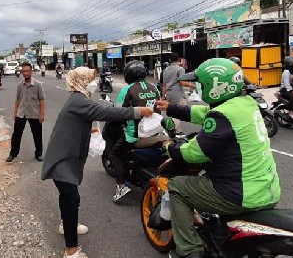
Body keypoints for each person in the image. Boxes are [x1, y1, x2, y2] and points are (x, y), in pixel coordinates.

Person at [154, 58, 280, 258]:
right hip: (268, 190)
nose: (197, 87)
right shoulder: (246, 103)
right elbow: (204, 112)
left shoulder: (222, 115)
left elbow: (193, 154)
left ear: (215, 87)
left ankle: (188, 250)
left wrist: (170, 147)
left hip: (240, 194)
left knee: (177, 187)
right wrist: (169, 107)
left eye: (201, 84)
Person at [41, 67, 154, 258]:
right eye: (90, 79)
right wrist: (137, 111)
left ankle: (67, 224)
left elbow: (87, 117)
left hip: (65, 156)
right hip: (62, 159)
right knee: (71, 198)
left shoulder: (79, 99)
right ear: (81, 81)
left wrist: (90, 131)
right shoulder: (78, 100)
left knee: (67, 197)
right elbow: (106, 112)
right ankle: (71, 251)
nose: (93, 83)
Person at [108, 60, 168, 202]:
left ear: (127, 74)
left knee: (114, 155)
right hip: (157, 132)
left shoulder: (127, 89)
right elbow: (158, 109)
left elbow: (120, 113)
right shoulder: (154, 87)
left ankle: (121, 186)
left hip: (135, 136)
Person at [7, 62, 46, 162]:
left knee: (37, 134)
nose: (25, 73)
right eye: (23, 71)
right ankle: (13, 154)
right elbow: (17, 99)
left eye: (27, 71)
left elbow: (41, 99)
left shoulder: (38, 85)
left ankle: (38, 153)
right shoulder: (20, 85)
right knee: (16, 134)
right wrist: (15, 112)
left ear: (31, 72)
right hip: (21, 113)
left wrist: (41, 114)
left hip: (34, 113)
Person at [162, 52, 196, 130]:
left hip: (169, 94)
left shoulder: (165, 70)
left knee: (171, 112)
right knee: (178, 113)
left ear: (170, 60)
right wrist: (193, 86)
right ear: (179, 59)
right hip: (178, 95)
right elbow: (182, 82)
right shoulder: (180, 69)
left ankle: (172, 128)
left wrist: (163, 96)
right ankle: (174, 130)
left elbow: (164, 84)